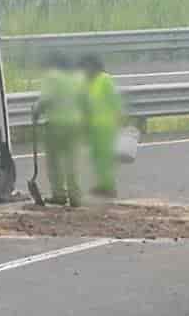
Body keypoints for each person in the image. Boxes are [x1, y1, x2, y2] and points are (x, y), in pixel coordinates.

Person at [33, 54, 86, 207]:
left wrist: (36, 110)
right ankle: (75, 196)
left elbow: (46, 99)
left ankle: (59, 194)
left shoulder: (53, 77)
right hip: (75, 125)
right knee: (72, 161)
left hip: (56, 124)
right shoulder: (78, 78)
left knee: (54, 162)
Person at [81, 53, 123, 198]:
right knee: (97, 157)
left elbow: (114, 101)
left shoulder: (105, 79)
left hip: (106, 126)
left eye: (87, 66)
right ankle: (102, 185)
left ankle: (109, 187)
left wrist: (118, 120)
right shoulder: (90, 82)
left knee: (105, 158)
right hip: (94, 126)